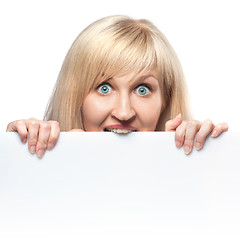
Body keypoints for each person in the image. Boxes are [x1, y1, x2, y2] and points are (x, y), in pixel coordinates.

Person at [6, 15, 228, 158]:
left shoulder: (194, 176)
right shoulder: (32, 166)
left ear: (165, 100)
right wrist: (15, 156)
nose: (124, 113)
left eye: (142, 90)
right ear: (75, 96)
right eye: (104, 88)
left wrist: (203, 162)